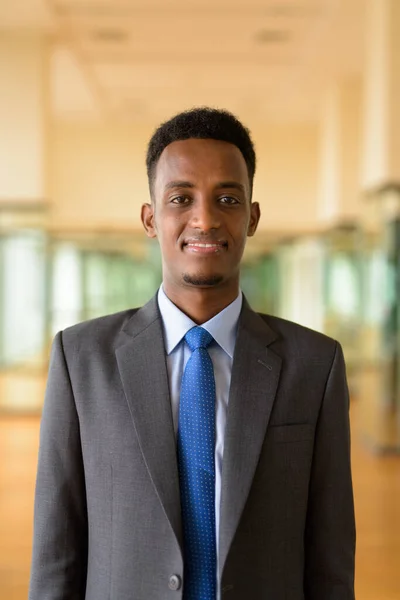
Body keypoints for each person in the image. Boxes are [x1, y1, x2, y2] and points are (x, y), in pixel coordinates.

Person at [29, 107, 356, 600]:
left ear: (252, 217)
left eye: (227, 198)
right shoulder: (81, 360)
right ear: (150, 218)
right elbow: (57, 552)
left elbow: (331, 558)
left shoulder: (315, 365)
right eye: (181, 198)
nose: (205, 218)